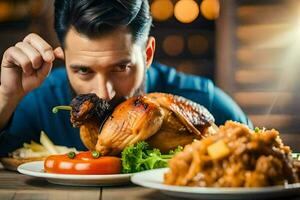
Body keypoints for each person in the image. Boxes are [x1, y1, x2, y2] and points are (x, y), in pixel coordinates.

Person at [0, 0, 252, 156]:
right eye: (84, 70)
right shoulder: (37, 104)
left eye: (121, 68)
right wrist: (5, 98)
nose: (104, 93)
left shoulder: (205, 103)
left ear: (148, 53)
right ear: (63, 58)